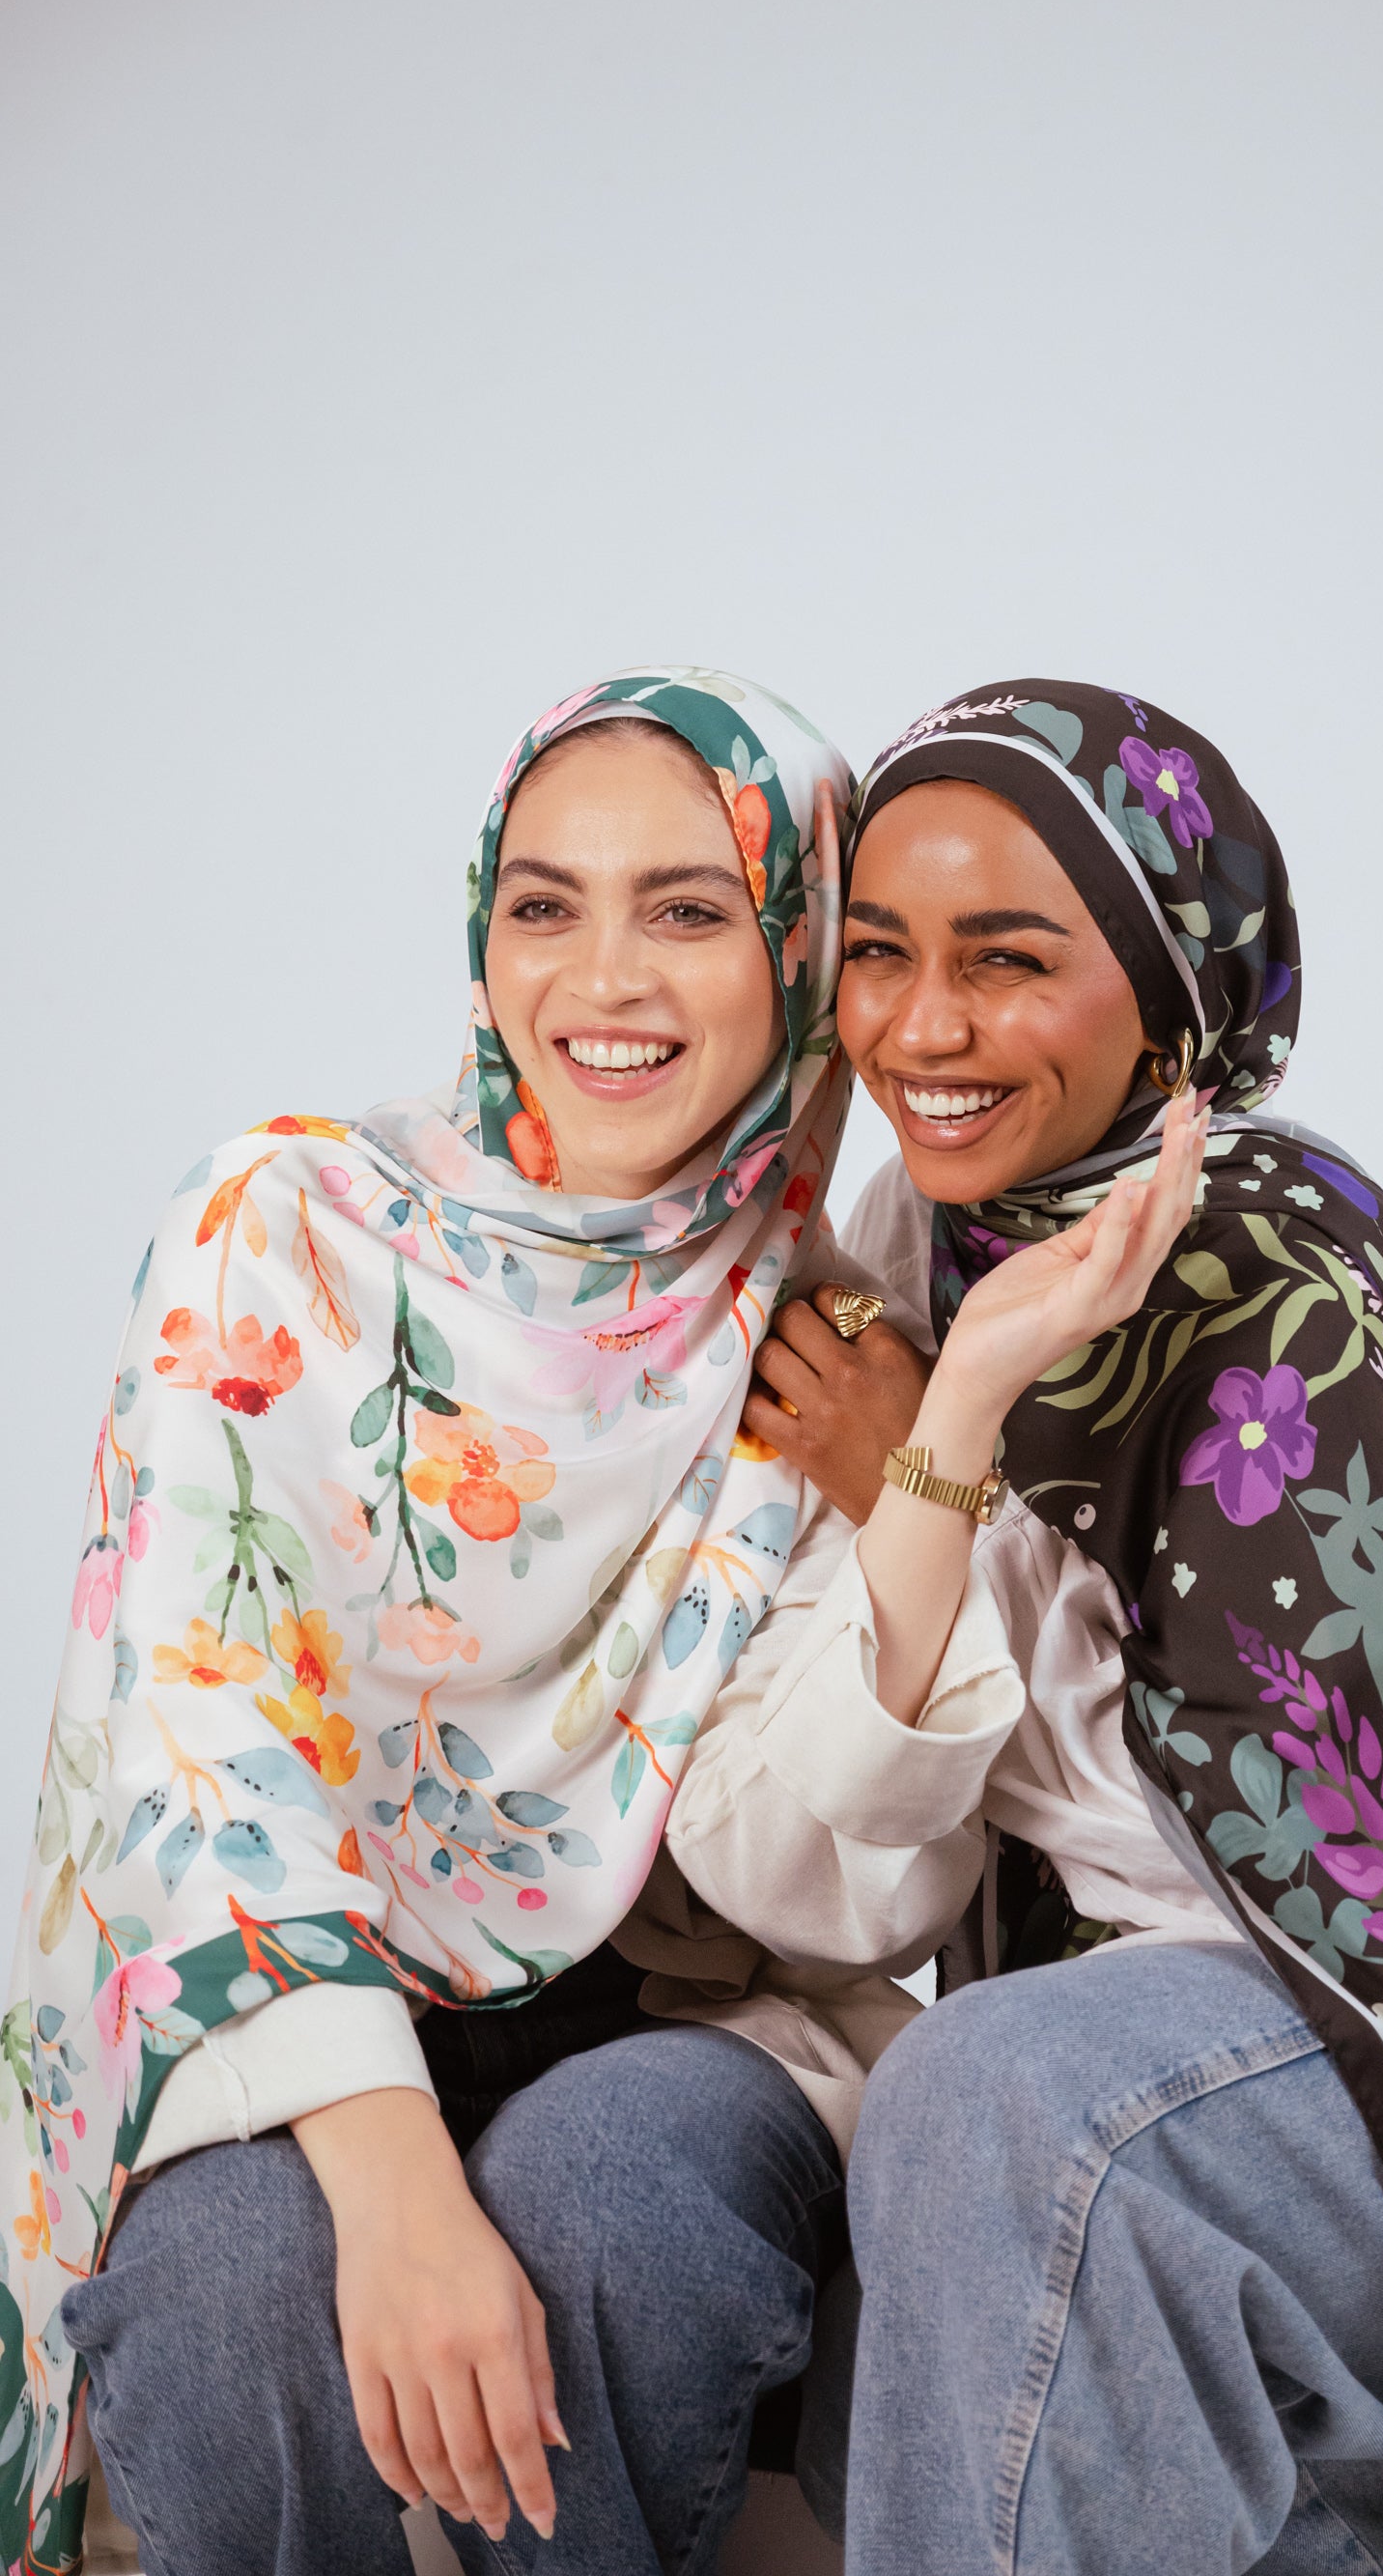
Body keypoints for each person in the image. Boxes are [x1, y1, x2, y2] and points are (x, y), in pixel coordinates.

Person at [685, 679, 1383, 2576]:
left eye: (1007, 958)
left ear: (1168, 988)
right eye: (875, 952)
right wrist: (936, 1452)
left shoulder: (1285, 1281)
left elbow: (1269, 1858)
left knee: (998, 2109)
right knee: (930, 2301)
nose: (921, 1026)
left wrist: (907, 1487)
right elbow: (896, 1826)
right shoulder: (917, 1226)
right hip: (1184, 2046)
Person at [13, 666, 897, 2576]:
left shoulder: (837, 1335)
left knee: (611, 2202)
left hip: (688, 2014)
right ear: (479, 933)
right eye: (543, 902)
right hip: (285, 2012)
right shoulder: (291, 1223)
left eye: (689, 906)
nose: (604, 979)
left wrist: (914, 1486)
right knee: (229, 2288)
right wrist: (394, 2174)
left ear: (806, 952)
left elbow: (851, 1883)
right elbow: (202, 1720)